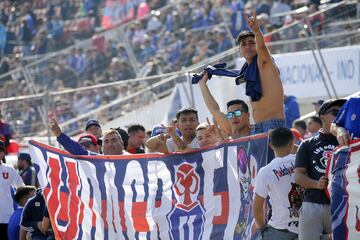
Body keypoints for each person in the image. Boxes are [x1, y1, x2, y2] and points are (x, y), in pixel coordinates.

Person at [295, 99, 346, 240]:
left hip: (343, 205)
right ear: (322, 117)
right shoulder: (306, 144)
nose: (341, 115)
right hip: (313, 203)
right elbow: (298, 177)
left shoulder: (350, 141)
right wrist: (317, 184)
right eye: (336, 112)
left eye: (344, 112)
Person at [236, 11, 285, 134]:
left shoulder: (264, 61)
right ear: (239, 50)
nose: (248, 46)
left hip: (273, 124)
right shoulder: (246, 70)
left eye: (252, 43)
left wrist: (257, 32)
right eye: (244, 44)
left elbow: (262, 48)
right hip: (257, 127)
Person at [253, 127, 302, 240]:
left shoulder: (265, 171)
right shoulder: (302, 161)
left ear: (270, 146)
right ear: (292, 144)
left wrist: (263, 229)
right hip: (307, 226)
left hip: (279, 230)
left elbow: (257, 207)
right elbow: (306, 151)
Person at [198, 73, 251, 139]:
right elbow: (214, 110)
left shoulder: (259, 130)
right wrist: (202, 83)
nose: (234, 117)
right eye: (230, 114)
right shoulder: (232, 130)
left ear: (248, 114)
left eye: (237, 113)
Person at [0, 140, 24, 240]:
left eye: (0, 150)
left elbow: (21, 188)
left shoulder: (9, 169)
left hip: (7, 217)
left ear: (3, 152)